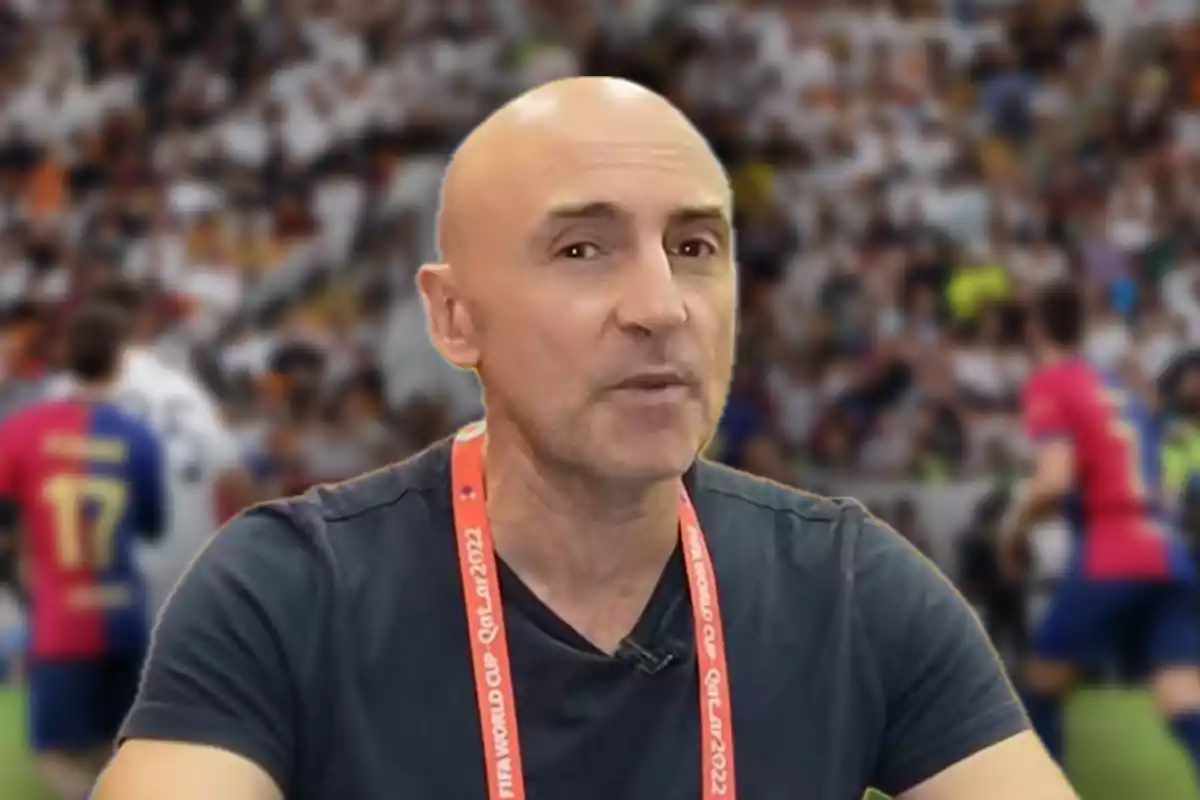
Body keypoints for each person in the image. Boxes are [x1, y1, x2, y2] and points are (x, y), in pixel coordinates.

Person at [97, 78, 1074, 800]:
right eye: (581, 249)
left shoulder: (849, 584)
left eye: (694, 247)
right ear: (453, 317)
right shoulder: (288, 591)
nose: (660, 306)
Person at [1001, 280, 1200, 777]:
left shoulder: (1051, 382)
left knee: (1037, 692)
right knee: (1181, 695)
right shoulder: (1117, 389)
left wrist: (1012, 527)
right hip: (1167, 553)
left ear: (1032, 331)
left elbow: (1054, 478)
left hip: (1112, 551)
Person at [0, 302, 166, 799]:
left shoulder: (24, 430)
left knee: (53, 756)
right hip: (127, 621)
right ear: (120, 361)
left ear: (66, 357)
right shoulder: (138, 437)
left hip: (60, 624)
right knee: (111, 755)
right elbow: (153, 526)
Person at [46, 280, 256, 618]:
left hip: (98, 580)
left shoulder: (65, 391)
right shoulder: (180, 389)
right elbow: (236, 479)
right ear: (145, 324)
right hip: (186, 570)